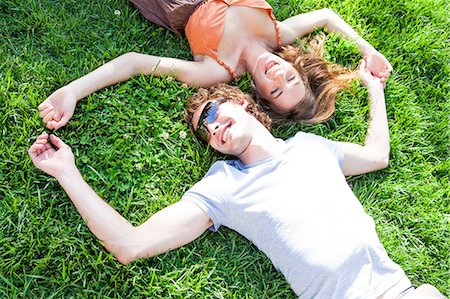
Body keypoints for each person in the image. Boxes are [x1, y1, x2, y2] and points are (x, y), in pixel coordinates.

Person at [29, 59, 445, 298]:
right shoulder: (225, 186)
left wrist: (374, 87)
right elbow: (130, 245)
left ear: (244, 104)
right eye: (203, 132)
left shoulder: (311, 147)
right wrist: (67, 172)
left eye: (211, 114)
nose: (212, 130)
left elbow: (376, 156)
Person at [38, 0, 392, 129]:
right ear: (298, 69)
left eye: (275, 89)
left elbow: (134, 63)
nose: (278, 76)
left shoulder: (217, 70)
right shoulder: (277, 33)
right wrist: (368, 49)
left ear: (260, 94)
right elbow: (327, 16)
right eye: (291, 80)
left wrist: (71, 92)